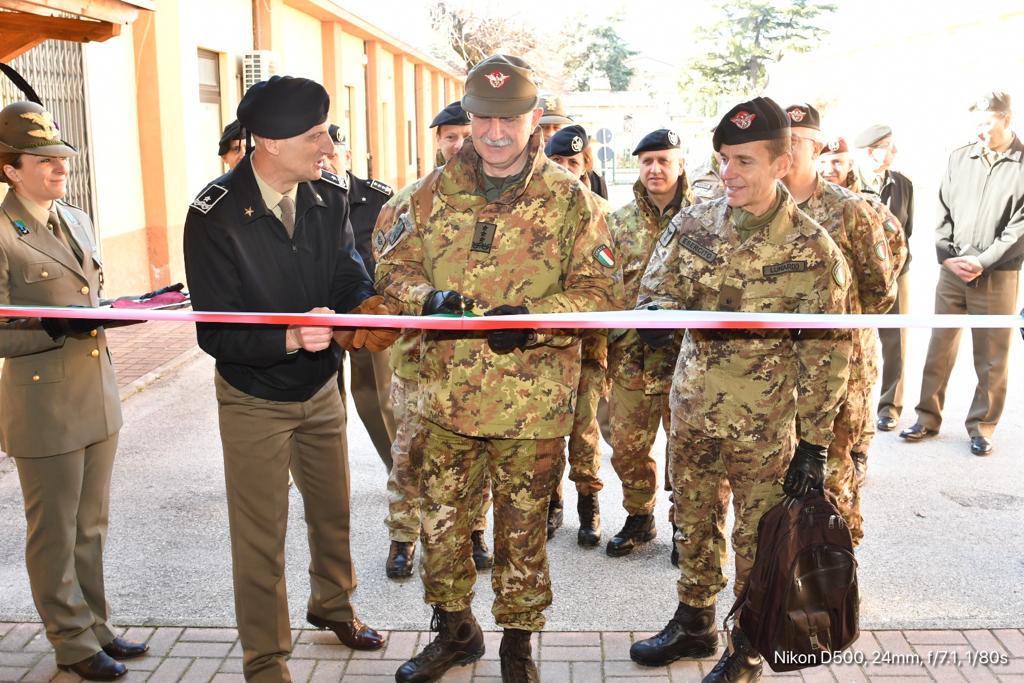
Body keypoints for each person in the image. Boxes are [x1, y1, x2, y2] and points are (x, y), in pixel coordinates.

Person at [375, 54, 619, 683]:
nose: (494, 133)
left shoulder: (572, 201)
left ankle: (518, 644)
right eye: (483, 118)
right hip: (443, 397)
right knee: (445, 525)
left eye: (509, 120)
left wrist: (536, 317)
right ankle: (456, 631)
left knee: (521, 533)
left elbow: (602, 294)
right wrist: (423, 299)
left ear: (534, 119)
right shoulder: (426, 195)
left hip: (530, 404)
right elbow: (391, 268)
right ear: (469, 116)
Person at [628, 97, 852, 683]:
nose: (728, 172)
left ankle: (749, 644)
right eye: (724, 159)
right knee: (694, 518)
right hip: (694, 406)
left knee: (757, 537)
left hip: (764, 422)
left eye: (744, 161)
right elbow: (657, 287)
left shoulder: (812, 250)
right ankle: (694, 619)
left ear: (781, 164)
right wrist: (654, 311)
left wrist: (815, 444)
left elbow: (828, 352)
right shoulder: (693, 222)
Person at [183, 75, 398, 682]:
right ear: (272, 143)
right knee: (260, 534)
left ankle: (334, 606)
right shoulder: (214, 215)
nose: (327, 146)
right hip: (254, 398)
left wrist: (362, 309)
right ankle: (266, 658)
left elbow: (346, 276)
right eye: (315, 135)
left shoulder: (328, 197)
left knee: (331, 513)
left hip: (319, 388)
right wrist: (287, 335)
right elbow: (215, 332)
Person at [0, 100, 148, 681]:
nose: (61, 169)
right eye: (45, 160)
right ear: (10, 168)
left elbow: (88, 300)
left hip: (96, 395)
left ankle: (96, 624)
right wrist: (52, 326)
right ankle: (70, 642)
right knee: (54, 531)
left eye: (63, 158)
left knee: (91, 525)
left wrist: (122, 311)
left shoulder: (77, 220)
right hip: (45, 404)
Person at [380, 101, 493, 580]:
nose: (457, 142)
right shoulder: (408, 201)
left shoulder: (500, 204)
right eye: (448, 135)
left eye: (464, 133)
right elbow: (387, 274)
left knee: (478, 452)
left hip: (482, 362)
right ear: (438, 141)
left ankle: (473, 532)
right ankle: (402, 538)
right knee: (411, 455)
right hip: (421, 359)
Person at [783, 104, 899, 547]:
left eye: (799, 142)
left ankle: (838, 577)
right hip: (773, 370)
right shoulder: (759, 208)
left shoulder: (850, 210)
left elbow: (880, 289)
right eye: (783, 141)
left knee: (833, 478)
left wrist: (840, 329)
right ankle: (787, 578)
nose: (789, 151)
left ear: (818, 146)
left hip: (838, 369)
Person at [901, 91, 1024, 457]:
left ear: (1005, 119)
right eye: (976, 125)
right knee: (939, 346)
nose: (980, 133)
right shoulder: (960, 157)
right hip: (953, 270)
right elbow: (940, 210)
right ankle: (926, 417)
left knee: (991, 356)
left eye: (986, 124)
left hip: (997, 273)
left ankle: (982, 426)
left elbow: (1019, 227)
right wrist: (946, 256)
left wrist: (984, 260)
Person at [604, 128, 693, 563]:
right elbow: (601, 286)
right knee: (627, 446)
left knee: (688, 448)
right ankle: (640, 516)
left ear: (680, 164)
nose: (655, 169)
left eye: (663, 160)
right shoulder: (617, 223)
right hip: (631, 358)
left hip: (688, 359)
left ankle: (685, 524)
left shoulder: (706, 217)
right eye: (646, 162)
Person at [543, 124, 611, 546]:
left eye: (574, 162)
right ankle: (552, 504)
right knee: (546, 431)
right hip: (544, 346)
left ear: (586, 167)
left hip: (587, 345)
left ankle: (589, 503)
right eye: (558, 162)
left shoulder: (603, 212)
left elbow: (611, 284)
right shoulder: (532, 213)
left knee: (584, 429)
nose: (566, 170)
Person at [321, 123, 398, 471]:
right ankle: (326, 474)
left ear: (348, 156)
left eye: (332, 155)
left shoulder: (379, 199)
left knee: (375, 398)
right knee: (324, 402)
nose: (325, 162)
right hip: (319, 317)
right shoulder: (303, 198)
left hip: (366, 314)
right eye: (320, 155)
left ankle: (397, 467)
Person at [852, 124, 915, 433]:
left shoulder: (902, 184)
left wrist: (895, 267)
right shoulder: (849, 182)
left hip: (895, 272)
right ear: (869, 151)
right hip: (857, 277)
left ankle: (889, 407)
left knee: (896, 343)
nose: (894, 152)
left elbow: (907, 230)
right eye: (888, 147)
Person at [538, 94, 608, 198]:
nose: (551, 134)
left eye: (556, 127)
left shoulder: (592, 177)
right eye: (544, 127)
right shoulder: (523, 169)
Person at [431, 100, 472, 164]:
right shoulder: (435, 174)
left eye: (468, 137)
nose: (460, 145)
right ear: (438, 139)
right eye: (450, 137)